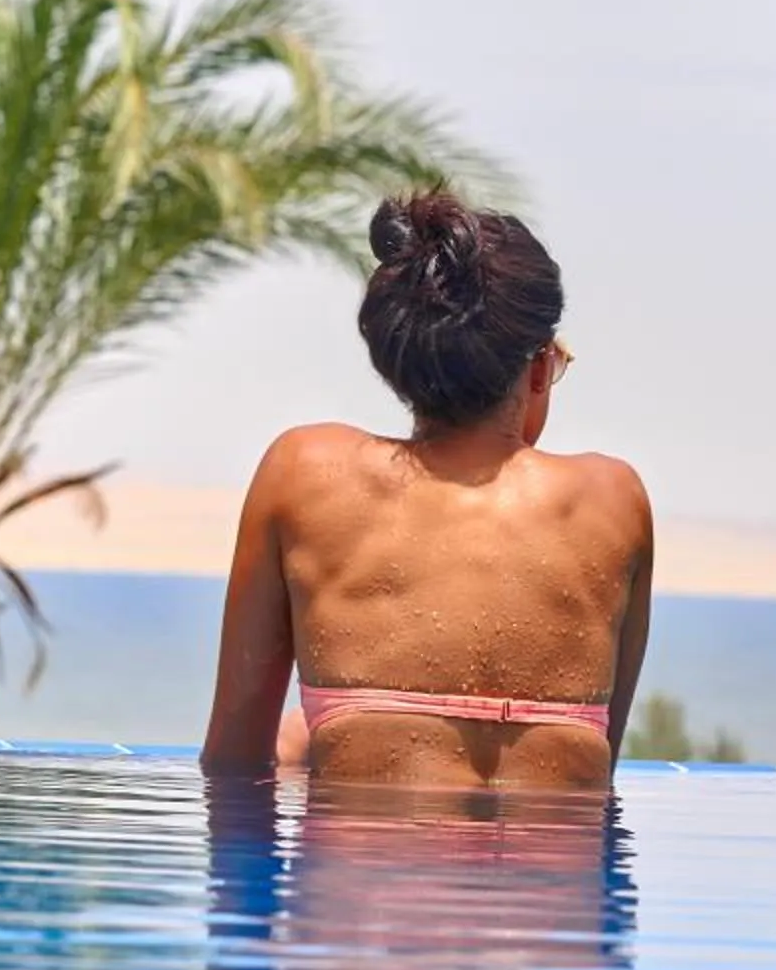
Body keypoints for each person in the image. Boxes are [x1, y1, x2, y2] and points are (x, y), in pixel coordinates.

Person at [201, 187, 655, 789]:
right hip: (546, 880)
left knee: (296, 739)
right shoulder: (612, 500)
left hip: (359, 880)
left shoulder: (304, 473)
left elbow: (234, 764)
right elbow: (597, 764)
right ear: (540, 367)